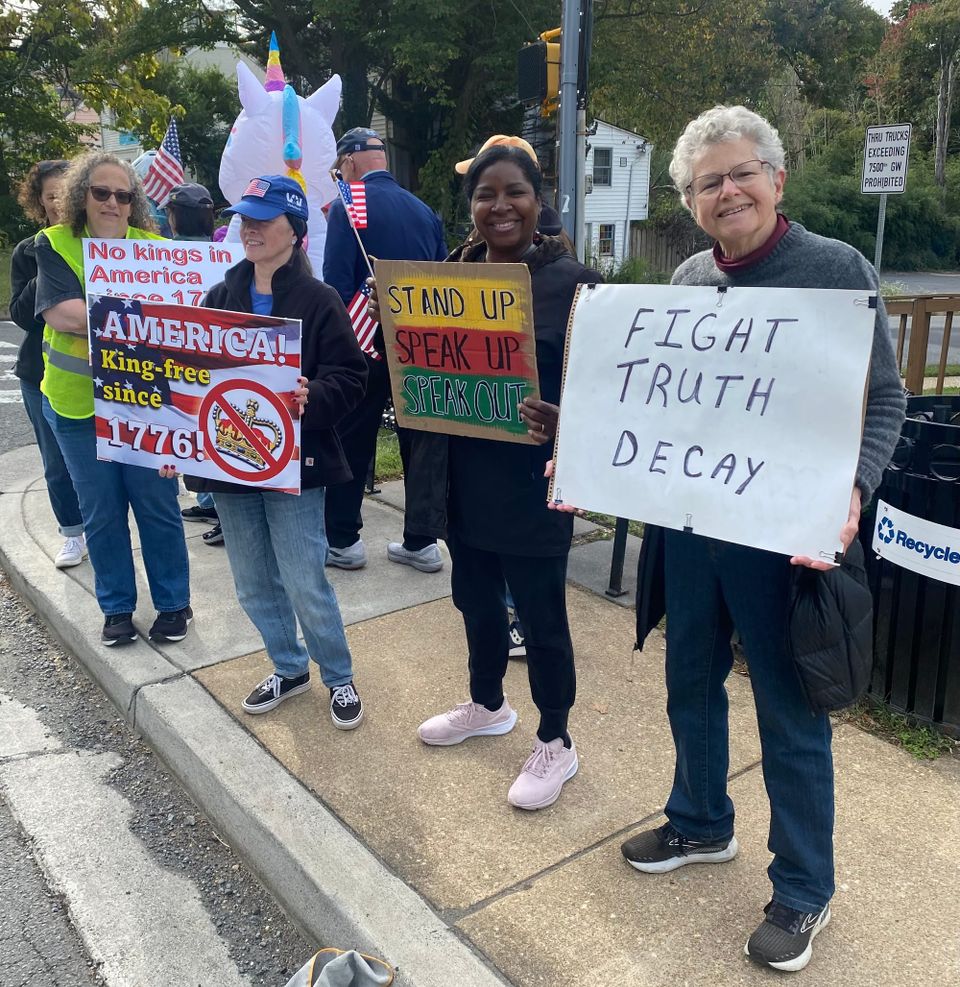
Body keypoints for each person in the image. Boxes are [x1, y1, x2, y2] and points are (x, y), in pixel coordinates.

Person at [619, 106, 906, 972]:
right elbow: (656, 400)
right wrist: (592, 453)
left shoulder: (836, 269)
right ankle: (702, 821)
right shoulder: (685, 280)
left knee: (789, 708)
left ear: (777, 179)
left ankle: (804, 885)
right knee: (689, 678)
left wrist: (853, 488)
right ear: (691, 201)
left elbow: (883, 398)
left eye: (743, 173)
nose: (728, 191)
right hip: (693, 524)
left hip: (786, 536)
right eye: (709, 182)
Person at [380, 144, 602, 809]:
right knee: (475, 602)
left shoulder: (577, 286)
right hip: (460, 478)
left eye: (514, 192)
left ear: (538, 201)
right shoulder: (445, 278)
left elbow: (612, 391)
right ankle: (487, 703)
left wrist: (567, 419)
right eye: (485, 194)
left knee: (540, 617)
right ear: (470, 206)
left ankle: (556, 739)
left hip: (533, 483)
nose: (500, 206)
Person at [184, 175, 368, 726]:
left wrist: (316, 396)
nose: (250, 228)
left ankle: (338, 675)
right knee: (252, 581)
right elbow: (193, 378)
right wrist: (176, 439)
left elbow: (351, 376)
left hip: (295, 467)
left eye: (263, 219)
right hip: (232, 466)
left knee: (304, 578)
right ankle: (288, 667)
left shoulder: (320, 300)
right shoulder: (220, 297)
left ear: (295, 231)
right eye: (245, 218)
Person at [34, 150, 192, 646]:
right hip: (77, 406)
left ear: (134, 202)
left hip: (148, 406)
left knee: (157, 506)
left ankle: (174, 604)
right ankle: (117, 608)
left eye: (123, 196)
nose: (112, 203)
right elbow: (61, 314)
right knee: (102, 512)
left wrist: (111, 314)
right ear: (82, 195)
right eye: (101, 192)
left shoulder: (157, 249)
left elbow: (191, 313)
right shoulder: (55, 243)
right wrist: (147, 313)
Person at [322, 126, 448, 573]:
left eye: (339, 168)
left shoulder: (349, 205)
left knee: (352, 438)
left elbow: (336, 285)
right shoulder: (424, 211)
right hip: (420, 343)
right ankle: (422, 541)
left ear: (349, 163)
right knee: (419, 441)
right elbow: (444, 276)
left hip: (364, 344)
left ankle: (343, 540)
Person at [9, 159, 86, 569]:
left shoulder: (100, 244)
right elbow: (22, 315)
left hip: (100, 372)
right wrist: (48, 258)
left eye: (65, 193)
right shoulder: (28, 251)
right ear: (39, 201)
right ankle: (72, 533)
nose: (58, 203)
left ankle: (104, 526)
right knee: (56, 462)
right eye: (50, 196)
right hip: (39, 373)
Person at [165, 182, 224, 545]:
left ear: (173, 218)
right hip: (215, 360)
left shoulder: (155, 258)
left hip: (174, 362)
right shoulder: (229, 257)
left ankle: (214, 503)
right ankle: (210, 502)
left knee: (188, 432)